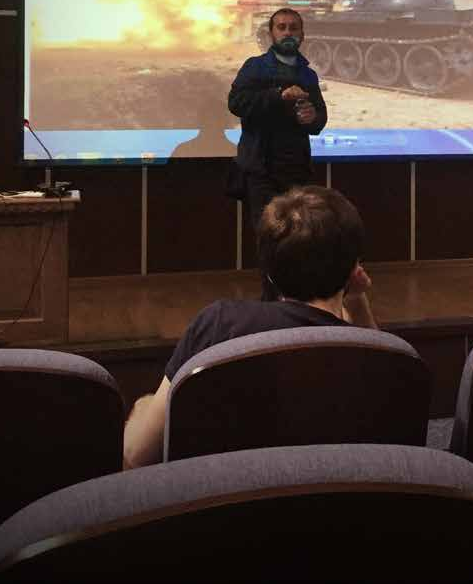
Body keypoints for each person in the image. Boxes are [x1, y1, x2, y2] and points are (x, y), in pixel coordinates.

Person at [122, 186, 375, 469]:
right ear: (354, 271)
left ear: (268, 271)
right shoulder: (377, 359)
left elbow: (136, 454)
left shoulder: (219, 326)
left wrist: (143, 408)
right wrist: (358, 301)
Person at [228, 8, 327, 230]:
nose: (287, 32)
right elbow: (236, 103)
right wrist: (278, 95)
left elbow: (319, 119)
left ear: (302, 34)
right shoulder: (255, 66)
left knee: (298, 237)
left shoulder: (307, 74)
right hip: (263, 171)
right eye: (281, 27)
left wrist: (312, 118)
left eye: (293, 28)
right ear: (272, 34)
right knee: (268, 237)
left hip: (297, 171)